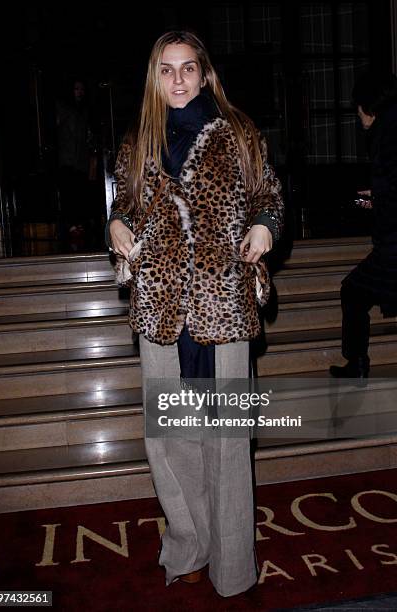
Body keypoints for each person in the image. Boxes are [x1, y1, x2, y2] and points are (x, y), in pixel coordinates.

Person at [106, 30, 283, 597]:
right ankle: (187, 543)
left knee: (228, 441)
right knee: (170, 437)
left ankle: (233, 564)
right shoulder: (140, 141)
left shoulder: (239, 135)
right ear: (153, 78)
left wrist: (264, 225)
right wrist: (114, 225)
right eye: (166, 69)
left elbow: (270, 198)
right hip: (160, 303)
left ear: (205, 74)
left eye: (188, 68)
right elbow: (124, 206)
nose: (178, 79)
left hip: (222, 300)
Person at [330, 71, 397, 379]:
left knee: (353, 291)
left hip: (394, 245)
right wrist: (379, 195)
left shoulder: (387, 131)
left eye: (358, 107)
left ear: (369, 105)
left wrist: (378, 198)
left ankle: (357, 363)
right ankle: (356, 362)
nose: (358, 115)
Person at [56, 79, 98, 251]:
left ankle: (78, 224)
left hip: (80, 159)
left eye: (82, 89)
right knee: (69, 192)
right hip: (66, 158)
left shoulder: (84, 110)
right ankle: (71, 225)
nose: (79, 92)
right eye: (76, 89)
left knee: (80, 192)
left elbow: (86, 134)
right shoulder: (62, 107)